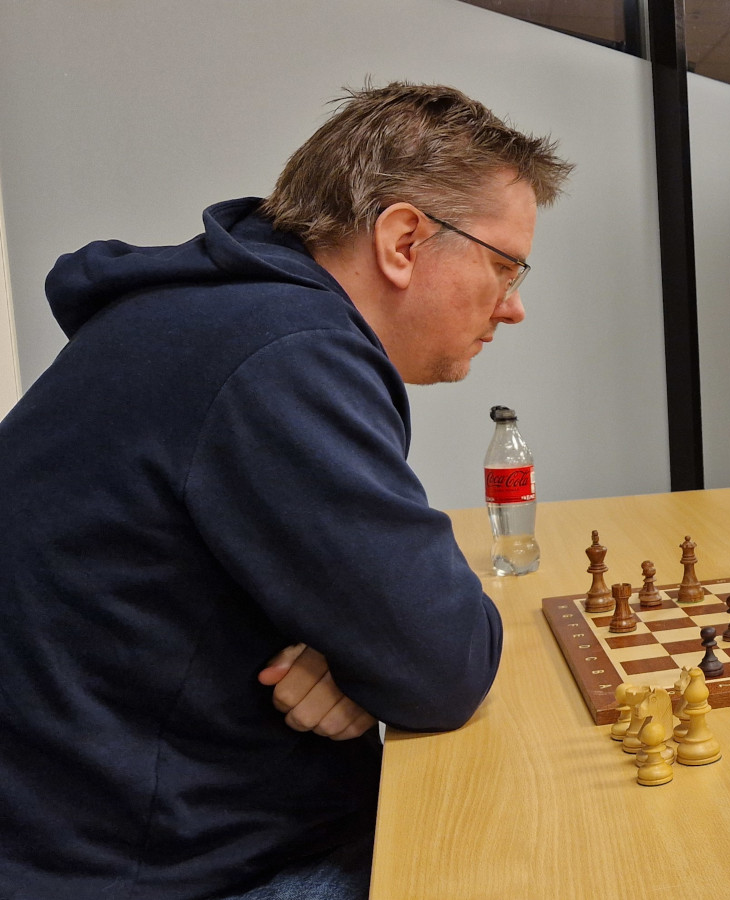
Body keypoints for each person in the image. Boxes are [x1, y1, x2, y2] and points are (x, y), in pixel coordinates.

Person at [0, 83, 572, 899]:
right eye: (505, 265)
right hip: (155, 868)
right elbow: (447, 664)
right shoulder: (284, 355)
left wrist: (361, 651)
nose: (512, 308)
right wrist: (377, 654)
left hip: (114, 819)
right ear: (405, 240)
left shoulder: (217, 315)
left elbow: (400, 636)